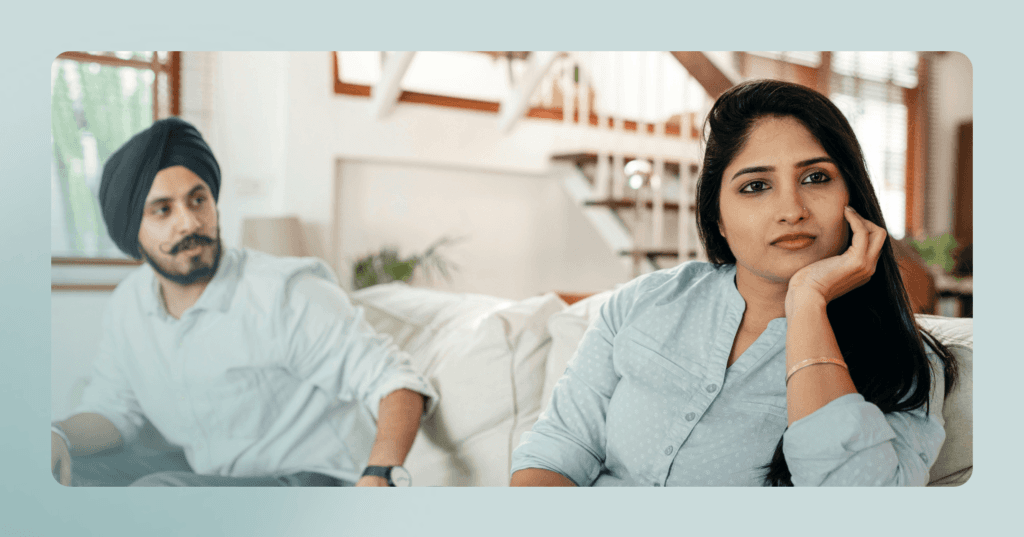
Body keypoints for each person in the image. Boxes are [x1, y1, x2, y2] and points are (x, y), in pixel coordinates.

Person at [510, 79, 959, 487]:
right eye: (755, 186)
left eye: (816, 178)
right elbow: (557, 451)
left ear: (853, 199)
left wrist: (807, 303)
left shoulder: (901, 361)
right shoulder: (642, 303)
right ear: (717, 219)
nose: (792, 209)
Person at [50, 117, 437, 487]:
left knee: (160, 492)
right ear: (132, 233)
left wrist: (381, 475)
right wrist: (56, 437)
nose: (189, 222)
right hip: (216, 482)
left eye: (198, 200)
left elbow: (395, 382)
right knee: (76, 473)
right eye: (163, 209)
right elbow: (113, 410)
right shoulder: (128, 307)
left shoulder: (284, 292)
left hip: (313, 479)